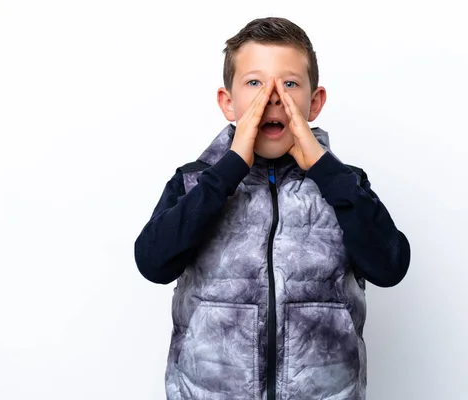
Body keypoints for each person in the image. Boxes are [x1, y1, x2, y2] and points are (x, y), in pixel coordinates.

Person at [134, 16, 410, 400]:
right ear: (227, 103)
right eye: (255, 83)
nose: (273, 96)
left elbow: (390, 266)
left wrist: (327, 172)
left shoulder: (347, 187)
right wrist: (228, 170)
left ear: (314, 103)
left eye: (290, 83)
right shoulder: (195, 182)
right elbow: (153, 263)